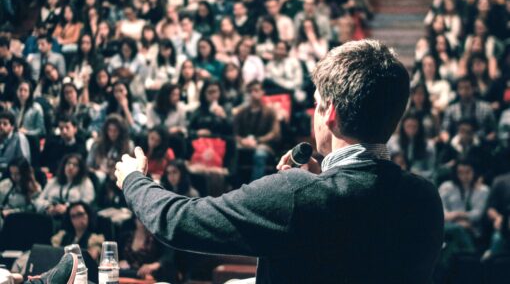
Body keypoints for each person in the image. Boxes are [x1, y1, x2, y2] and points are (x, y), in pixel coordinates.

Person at [115, 40, 444, 284]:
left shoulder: (297, 195)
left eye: (316, 104)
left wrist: (133, 179)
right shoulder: (425, 197)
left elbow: (177, 222)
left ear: (329, 112)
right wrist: (320, 179)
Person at [233, 81, 281, 182]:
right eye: (250, 91)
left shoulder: (270, 111)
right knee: (233, 151)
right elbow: (234, 133)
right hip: (244, 144)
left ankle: (255, 189)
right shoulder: (242, 112)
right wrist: (242, 141)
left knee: (260, 154)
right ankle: (233, 186)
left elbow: (275, 133)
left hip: (264, 145)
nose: (253, 93)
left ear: (262, 92)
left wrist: (257, 140)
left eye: (256, 90)